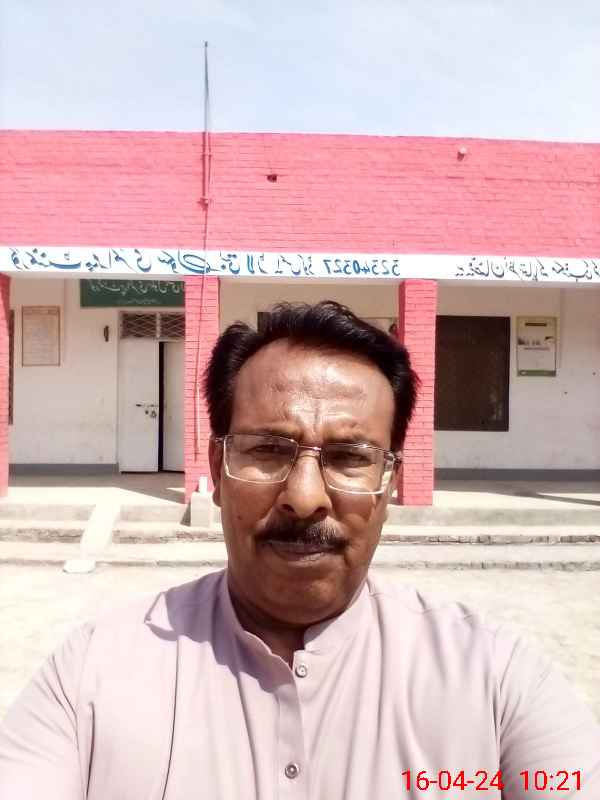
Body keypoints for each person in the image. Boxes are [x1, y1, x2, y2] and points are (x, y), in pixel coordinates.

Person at [0, 300, 599, 799]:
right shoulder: (94, 676)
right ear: (218, 468)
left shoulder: (493, 681)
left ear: (389, 482)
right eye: (267, 450)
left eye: (349, 457)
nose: (305, 498)